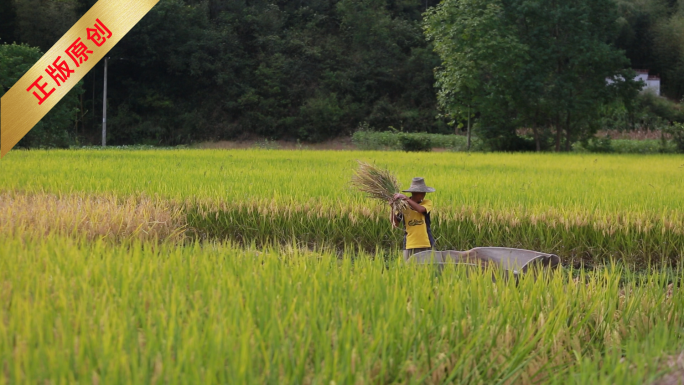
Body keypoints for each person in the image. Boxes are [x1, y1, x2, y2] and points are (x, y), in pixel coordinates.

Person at [390, 177, 436, 261]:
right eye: (422, 192)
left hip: (426, 244)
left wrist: (406, 199)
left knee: (428, 269)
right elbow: (395, 224)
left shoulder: (427, 203)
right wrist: (393, 208)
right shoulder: (403, 205)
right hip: (409, 245)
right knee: (408, 270)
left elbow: (421, 210)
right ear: (416, 192)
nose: (424, 194)